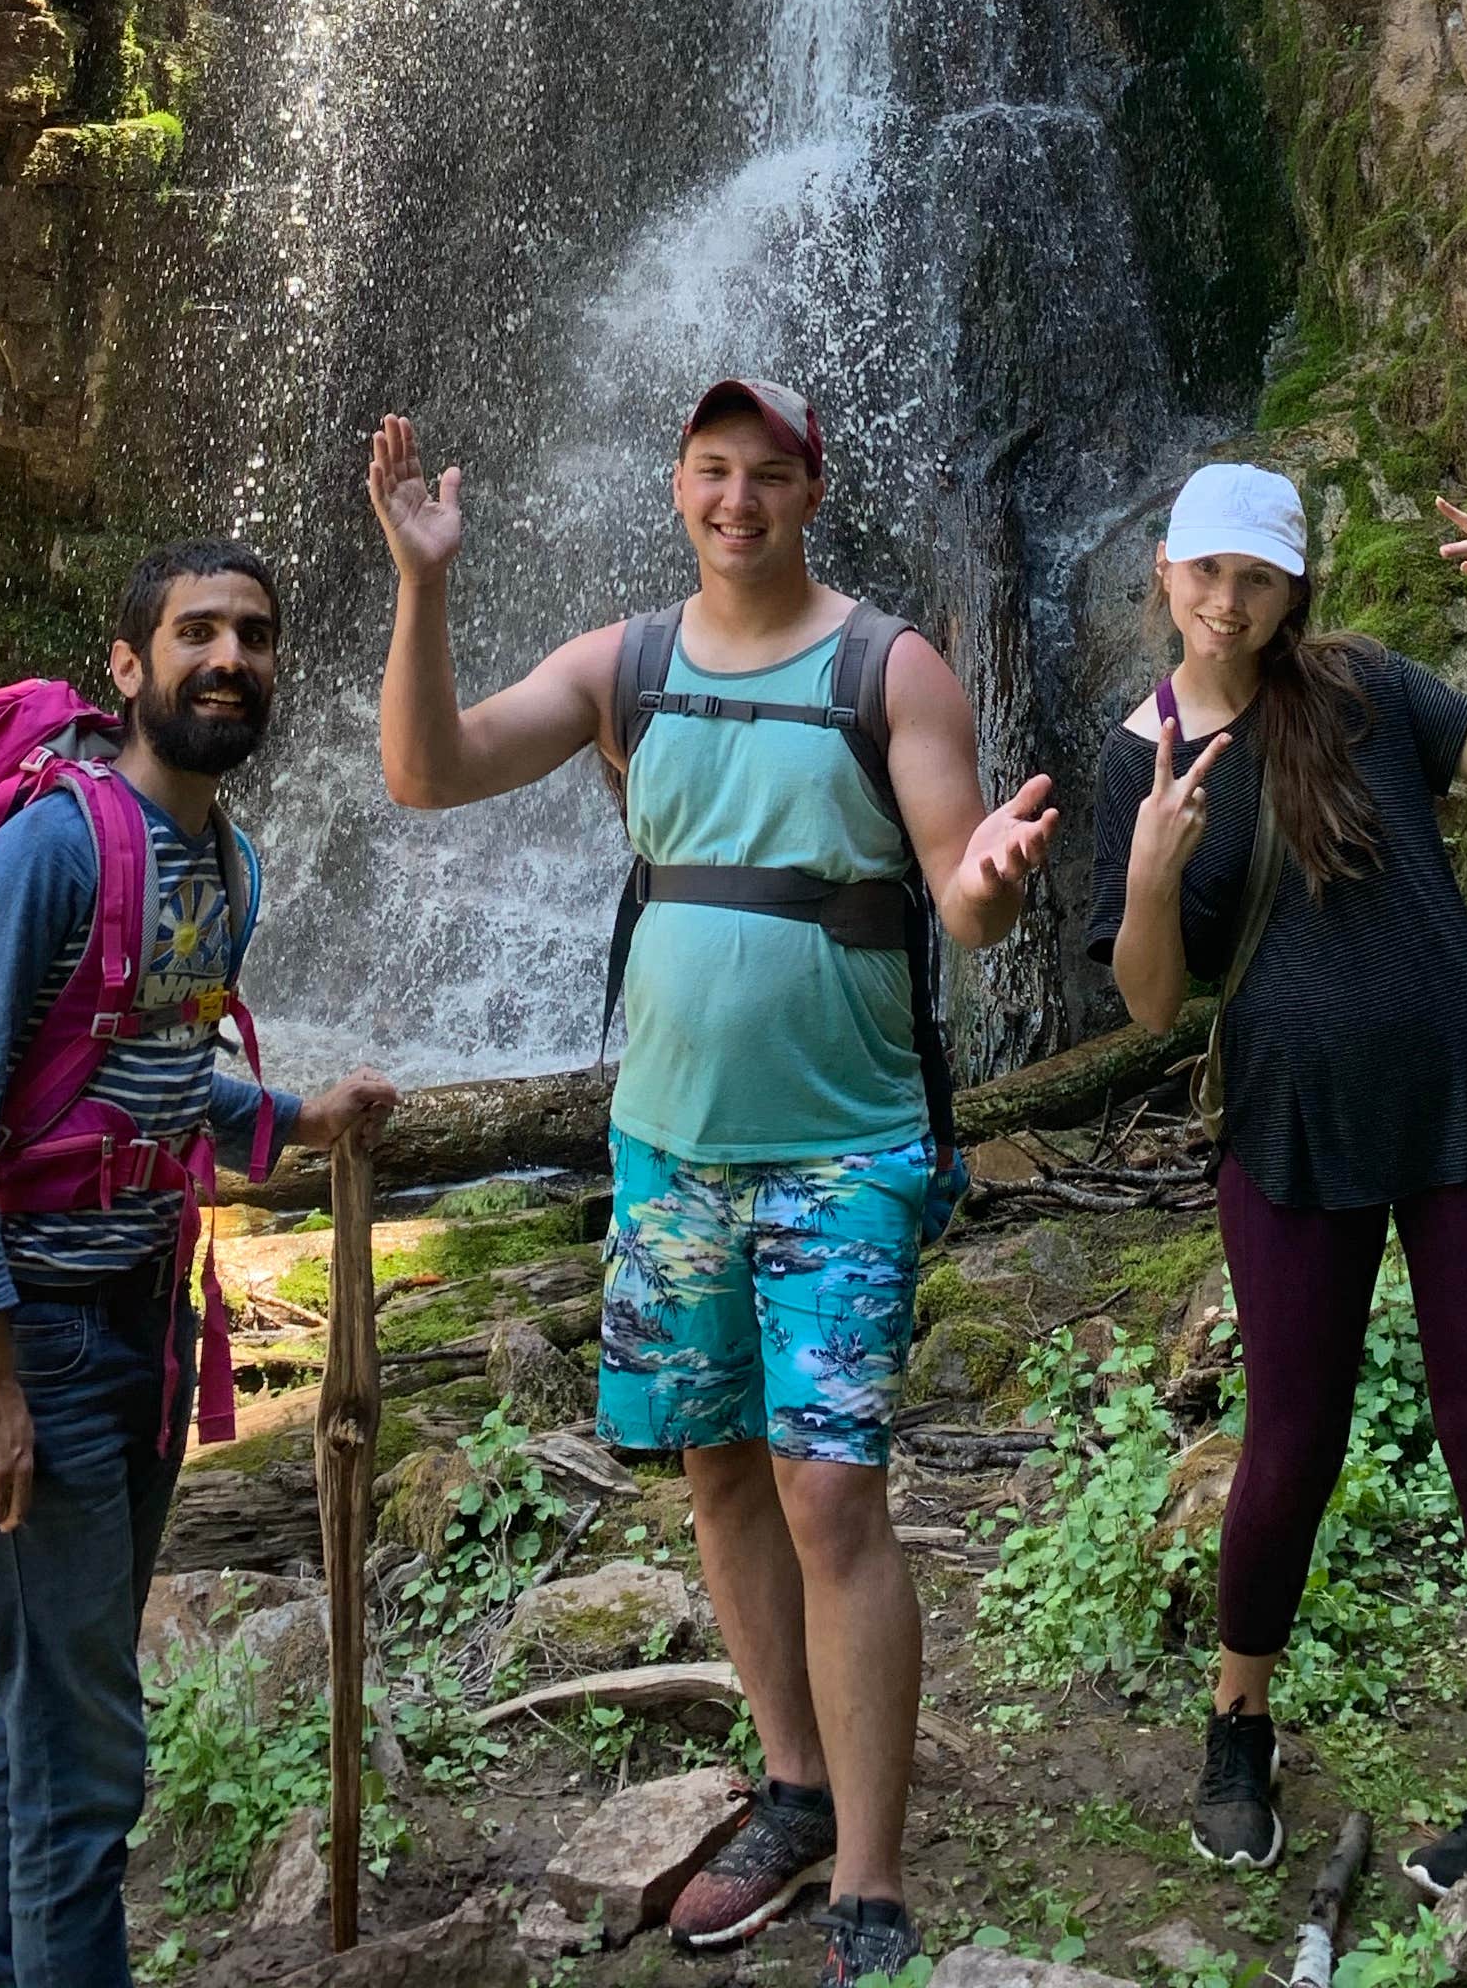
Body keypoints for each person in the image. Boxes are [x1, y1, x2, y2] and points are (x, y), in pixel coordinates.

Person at [371, 381, 1058, 1985]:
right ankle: (796, 1788)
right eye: (711, 472)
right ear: (679, 487)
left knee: (834, 1493)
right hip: (670, 1154)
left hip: (851, 1148)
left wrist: (999, 879)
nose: (736, 499)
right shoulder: (629, 665)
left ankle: (872, 1880)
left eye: (766, 474)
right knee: (724, 1474)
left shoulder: (893, 666)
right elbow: (429, 769)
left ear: (812, 490)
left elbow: (962, 898)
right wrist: (423, 583)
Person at [1091, 465, 1467, 1905]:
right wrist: (1144, 879)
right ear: (1167, 570)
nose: (1229, 602)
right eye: (1207, 572)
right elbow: (1147, 1006)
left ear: (1292, 588)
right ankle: (1238, 1722)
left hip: (1466, 1115)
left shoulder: (1366, 690)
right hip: (1292, 1135)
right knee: (1288, 1445)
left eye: (1258, 578)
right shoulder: (1140, 749)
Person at [0, 540, 397, 1988]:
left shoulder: (222, 862)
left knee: (50, 1705)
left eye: (252, 635)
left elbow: (152, 1076)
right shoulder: (53, 845)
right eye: (196, 634)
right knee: (92, 1745)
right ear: (130, 667)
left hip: (147, 1318)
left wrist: (292, 1116)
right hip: (37, 1336)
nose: (227, 658)